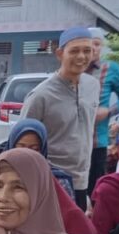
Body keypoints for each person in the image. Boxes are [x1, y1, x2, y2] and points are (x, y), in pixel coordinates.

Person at [0, 118, 96, 234]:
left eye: (34, 149)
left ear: (43, 150)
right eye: (20, 147)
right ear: (11, 146)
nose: (26, 153)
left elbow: (67, 225)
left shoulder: (57, 183)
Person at [20, 26, 101, 207]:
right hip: (51, 181)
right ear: (59, 54)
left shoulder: (93, 86)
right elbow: (21, 143)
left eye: (87, 51)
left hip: (82, 180)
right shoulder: (41, 95)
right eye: (74, 51)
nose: (81, 56)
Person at [88, 28, 119, 192]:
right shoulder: (73, 70)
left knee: (95, 190)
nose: (93, 48)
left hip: (97, 143)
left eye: (97, 44)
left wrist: (108, 111)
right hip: (72, 144)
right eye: (89, 44)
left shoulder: (110, 69)